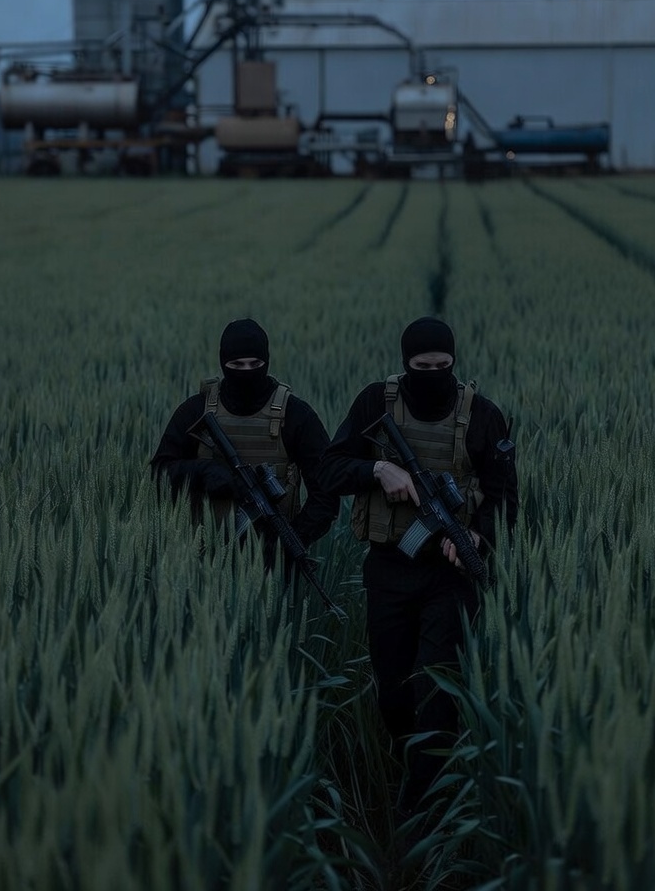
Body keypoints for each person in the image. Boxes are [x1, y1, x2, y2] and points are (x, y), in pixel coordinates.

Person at [319, 316, 518, 815]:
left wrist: (478, 537)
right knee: (393, 692)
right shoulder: (375, 403)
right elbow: (329, 470)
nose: (433, 375)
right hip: (390, 568)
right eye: (421, 367)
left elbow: (504, 496)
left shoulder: (483, 416)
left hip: (450, 578)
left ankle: (423, 807)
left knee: (435, 691)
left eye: (442, 366)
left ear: (454, 362)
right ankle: (408, 764)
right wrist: (377, 468)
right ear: (405, 363)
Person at [151, 318, 338, 558]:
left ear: (266, 361)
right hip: (202, 555)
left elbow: (327, 491)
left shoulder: (294, 415)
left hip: (274, 556)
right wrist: (203, 472)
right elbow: (159, 473)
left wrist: (290, 542)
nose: (247, 372)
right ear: (223, 363)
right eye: (237, 364)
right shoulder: (196, 410)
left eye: (255, 363)